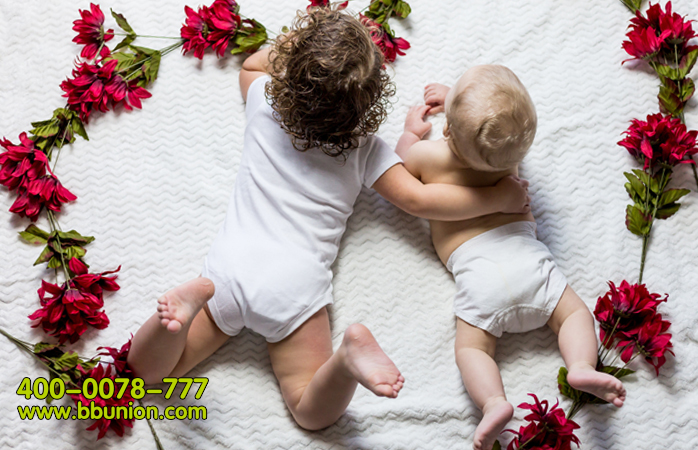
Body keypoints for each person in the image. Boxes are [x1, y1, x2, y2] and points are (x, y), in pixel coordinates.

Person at [127, 10, 531, 431]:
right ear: (370, 101)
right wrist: (496, 197)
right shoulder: (364, 149)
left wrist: (298, 48)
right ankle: (346, 359)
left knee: (146, 372)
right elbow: (420, 199)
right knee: (309, 410)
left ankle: (178, 315)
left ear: (290, 72)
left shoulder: (264, 100)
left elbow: (252, 65)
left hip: (228, 272)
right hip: (293, 287)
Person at [397, 65, 626, 450]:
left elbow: (401, 165)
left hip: (478, 277)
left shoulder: (427, 157)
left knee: (472, 349)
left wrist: (410, 133)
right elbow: (489, 130)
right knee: (573, 315)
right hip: (528, 263)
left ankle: (493, 402)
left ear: (447, 129)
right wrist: (458, 103)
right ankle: (581, 366)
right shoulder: (506, 157)